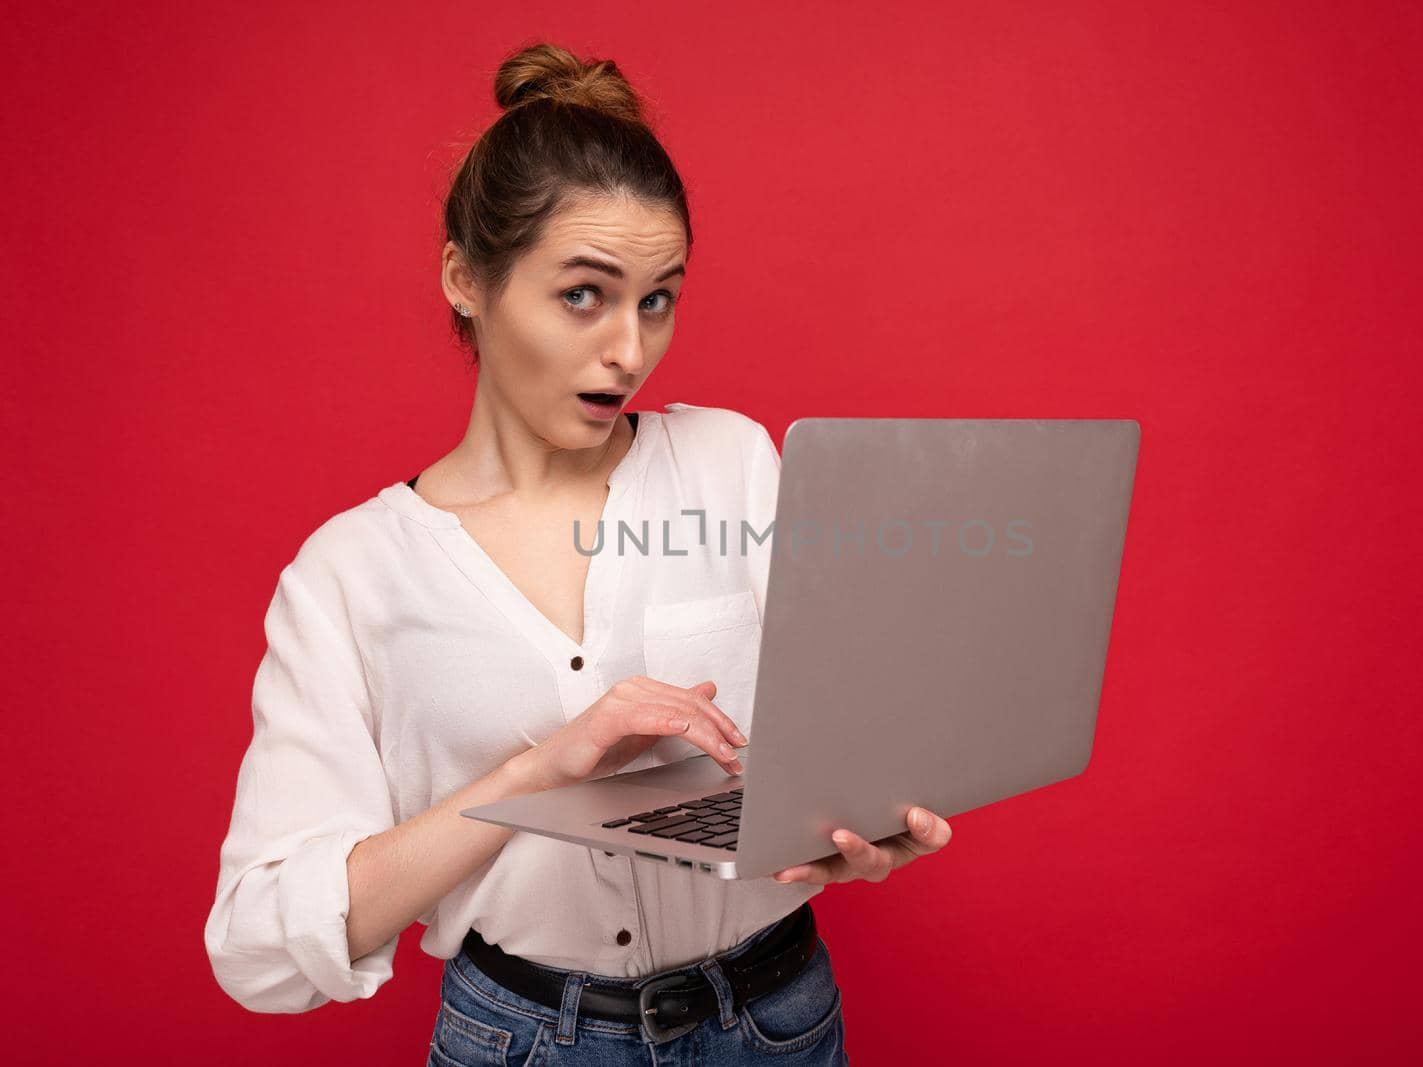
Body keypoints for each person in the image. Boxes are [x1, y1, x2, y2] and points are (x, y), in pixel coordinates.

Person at [203, 42, 954, 1064]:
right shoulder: (349, 574)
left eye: (657, 298)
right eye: (583, 295)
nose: (629, 350)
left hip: (773, 1018)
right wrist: (537, 771)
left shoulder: (728, 460)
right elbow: (259, 943)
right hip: (528, 1040)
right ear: (467, 279)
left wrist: (864, 826)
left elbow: (832, 735)